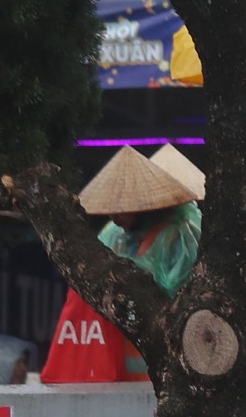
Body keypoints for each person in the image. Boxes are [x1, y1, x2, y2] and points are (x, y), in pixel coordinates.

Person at [48, 147, 198, 384]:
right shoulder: (113, 234)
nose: (114, 215)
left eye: (122, 207)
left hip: (162, 368)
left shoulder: (179, 236)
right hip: (114, 362)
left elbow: (179, 296)